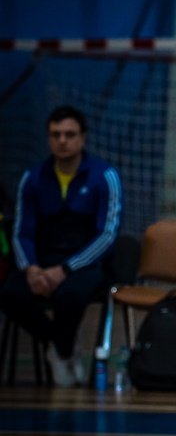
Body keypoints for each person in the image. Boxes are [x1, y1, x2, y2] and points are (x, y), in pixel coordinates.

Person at [0, 105, 122, 387]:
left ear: (83, 138)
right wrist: (31, 269)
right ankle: (59, 346)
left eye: (69, 134)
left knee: (70, 295)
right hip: (42, 261)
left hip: (87, 264)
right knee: (9, 294)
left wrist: (66, 269)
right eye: (56, 135)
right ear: (48, 139)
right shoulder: (33, 178)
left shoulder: (105, 176)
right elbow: (22, 232)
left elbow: (107, 235)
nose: (62, 141)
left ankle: (62, 350)